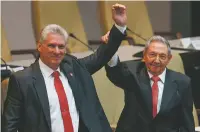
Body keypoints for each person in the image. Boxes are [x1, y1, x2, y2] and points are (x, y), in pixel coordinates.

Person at [3, 3, 127, 132]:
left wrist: (119, 26)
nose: (57, 51)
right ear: (39, 46)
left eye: (61, 47)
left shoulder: (74, 68)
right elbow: (9, 125)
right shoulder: (22, 80)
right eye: (51, 46)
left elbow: (101, 56)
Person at [102, 33, 195, 131]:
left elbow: (187, 123)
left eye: (162, 56)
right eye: (152, 55)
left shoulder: (182, 82)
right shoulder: (132, 74)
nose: (157, 60)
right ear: (144, 55)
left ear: (169, 59)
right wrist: (111, 48)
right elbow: (116, 73)